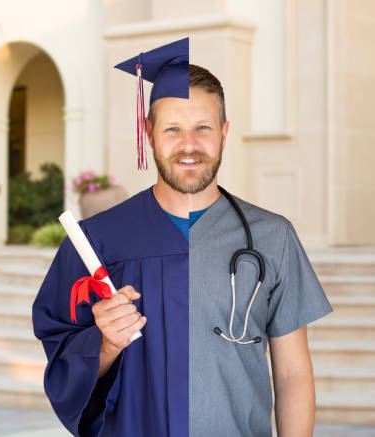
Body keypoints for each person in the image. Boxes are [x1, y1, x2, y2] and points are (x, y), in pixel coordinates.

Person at [31, 37, 333, 437]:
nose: (189, 145)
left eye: (202, 128)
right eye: (173, 128)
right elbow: (61, 359)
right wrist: (104, 344)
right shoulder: (97, 242)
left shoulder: (272, 238)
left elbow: (293, 373)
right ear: (149, 133)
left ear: (224, 133)